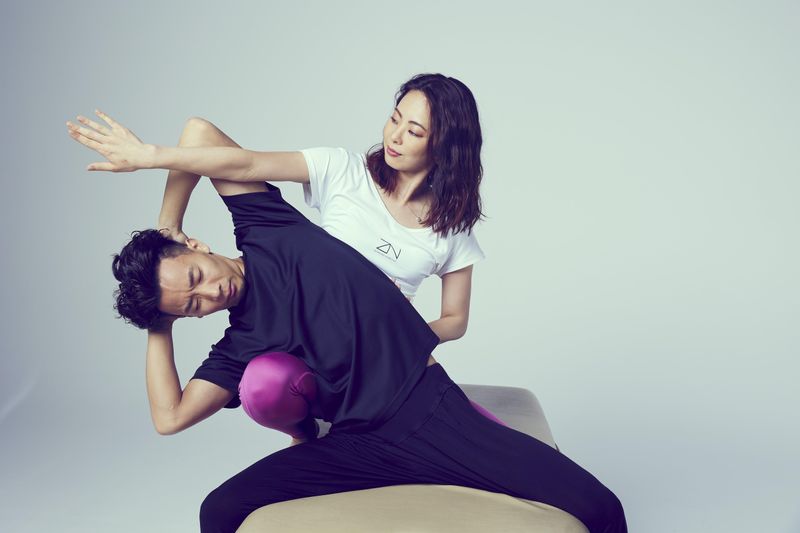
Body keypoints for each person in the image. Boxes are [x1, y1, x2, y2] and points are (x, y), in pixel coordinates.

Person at [67, 107, 627, 533]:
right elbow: (169, 417)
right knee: (219, 509)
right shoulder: (240, 345)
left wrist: (164, 224)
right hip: (359, 444)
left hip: (429, 412)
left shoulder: (266, 226)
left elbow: (198, 133)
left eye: (195, 277)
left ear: (196, 245)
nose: (210, 293)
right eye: (192, 306)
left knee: (600, 507)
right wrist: (159, 322)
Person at [73, 74, 505, 444]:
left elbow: (455, 319)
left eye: (413, 131)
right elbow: (225, 152)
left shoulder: (450, 227)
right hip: (322, 373)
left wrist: (395, 325)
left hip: (389, 362)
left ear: (443, 146)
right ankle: (306, 436)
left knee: (496, 444)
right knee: (262, 381)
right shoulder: (343, 171)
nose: (394, 136)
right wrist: (161, 301)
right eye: (394, 119)